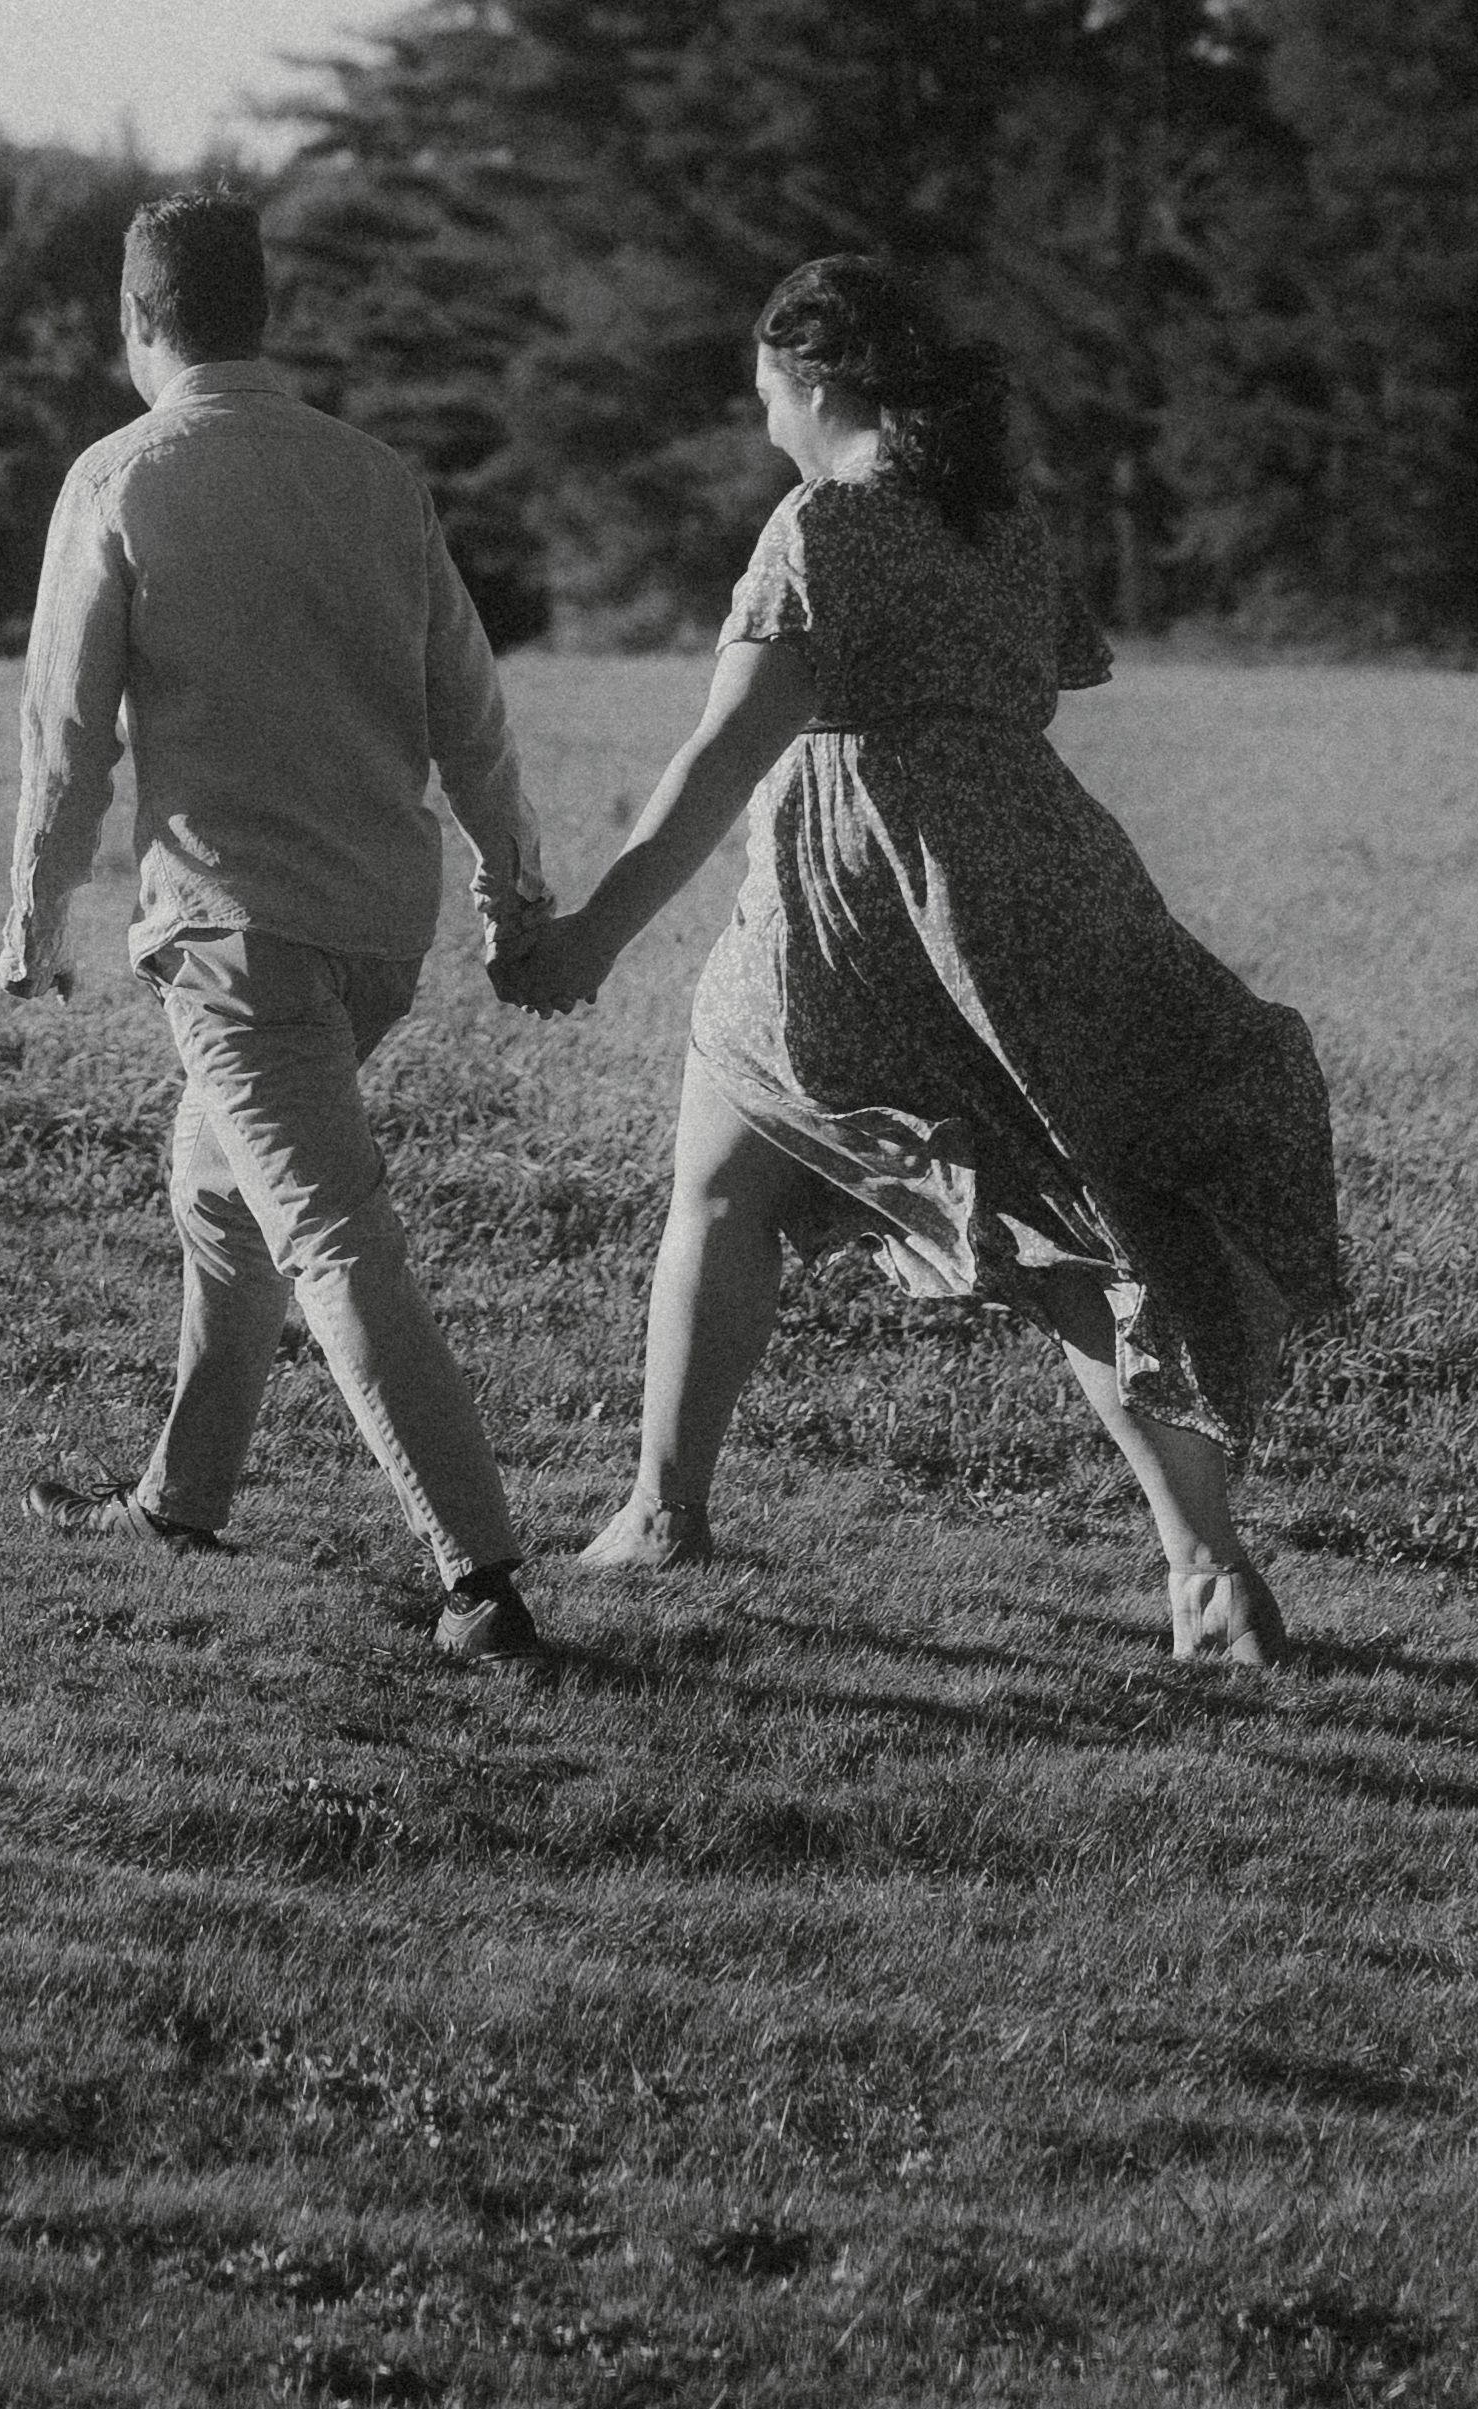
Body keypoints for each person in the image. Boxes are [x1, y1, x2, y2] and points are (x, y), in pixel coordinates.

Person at [502, 255, 1346, 1666]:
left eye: (766, 387)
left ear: (814, 376)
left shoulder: (823, 526)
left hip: (853, 910)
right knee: (1061, 1225)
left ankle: (663, 1514)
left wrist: (586, 936)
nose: (761, 413)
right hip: (1042, 886)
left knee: (726, 1195)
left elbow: (724, 758)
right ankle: (1204, 1566)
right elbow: (1034, 687)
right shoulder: (998, 521)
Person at [0, 193, 567, 1662]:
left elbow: (68, 736)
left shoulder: (121, 478)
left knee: (330, 1238)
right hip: (380, 929)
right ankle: (179, 1500)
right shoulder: (371, 477)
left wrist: (34, 915)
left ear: (134, 324)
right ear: (264, 316)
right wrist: (514, 887)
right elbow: (473, 708)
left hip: (232, 934)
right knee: (213, 1185)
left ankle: (480, 1578)